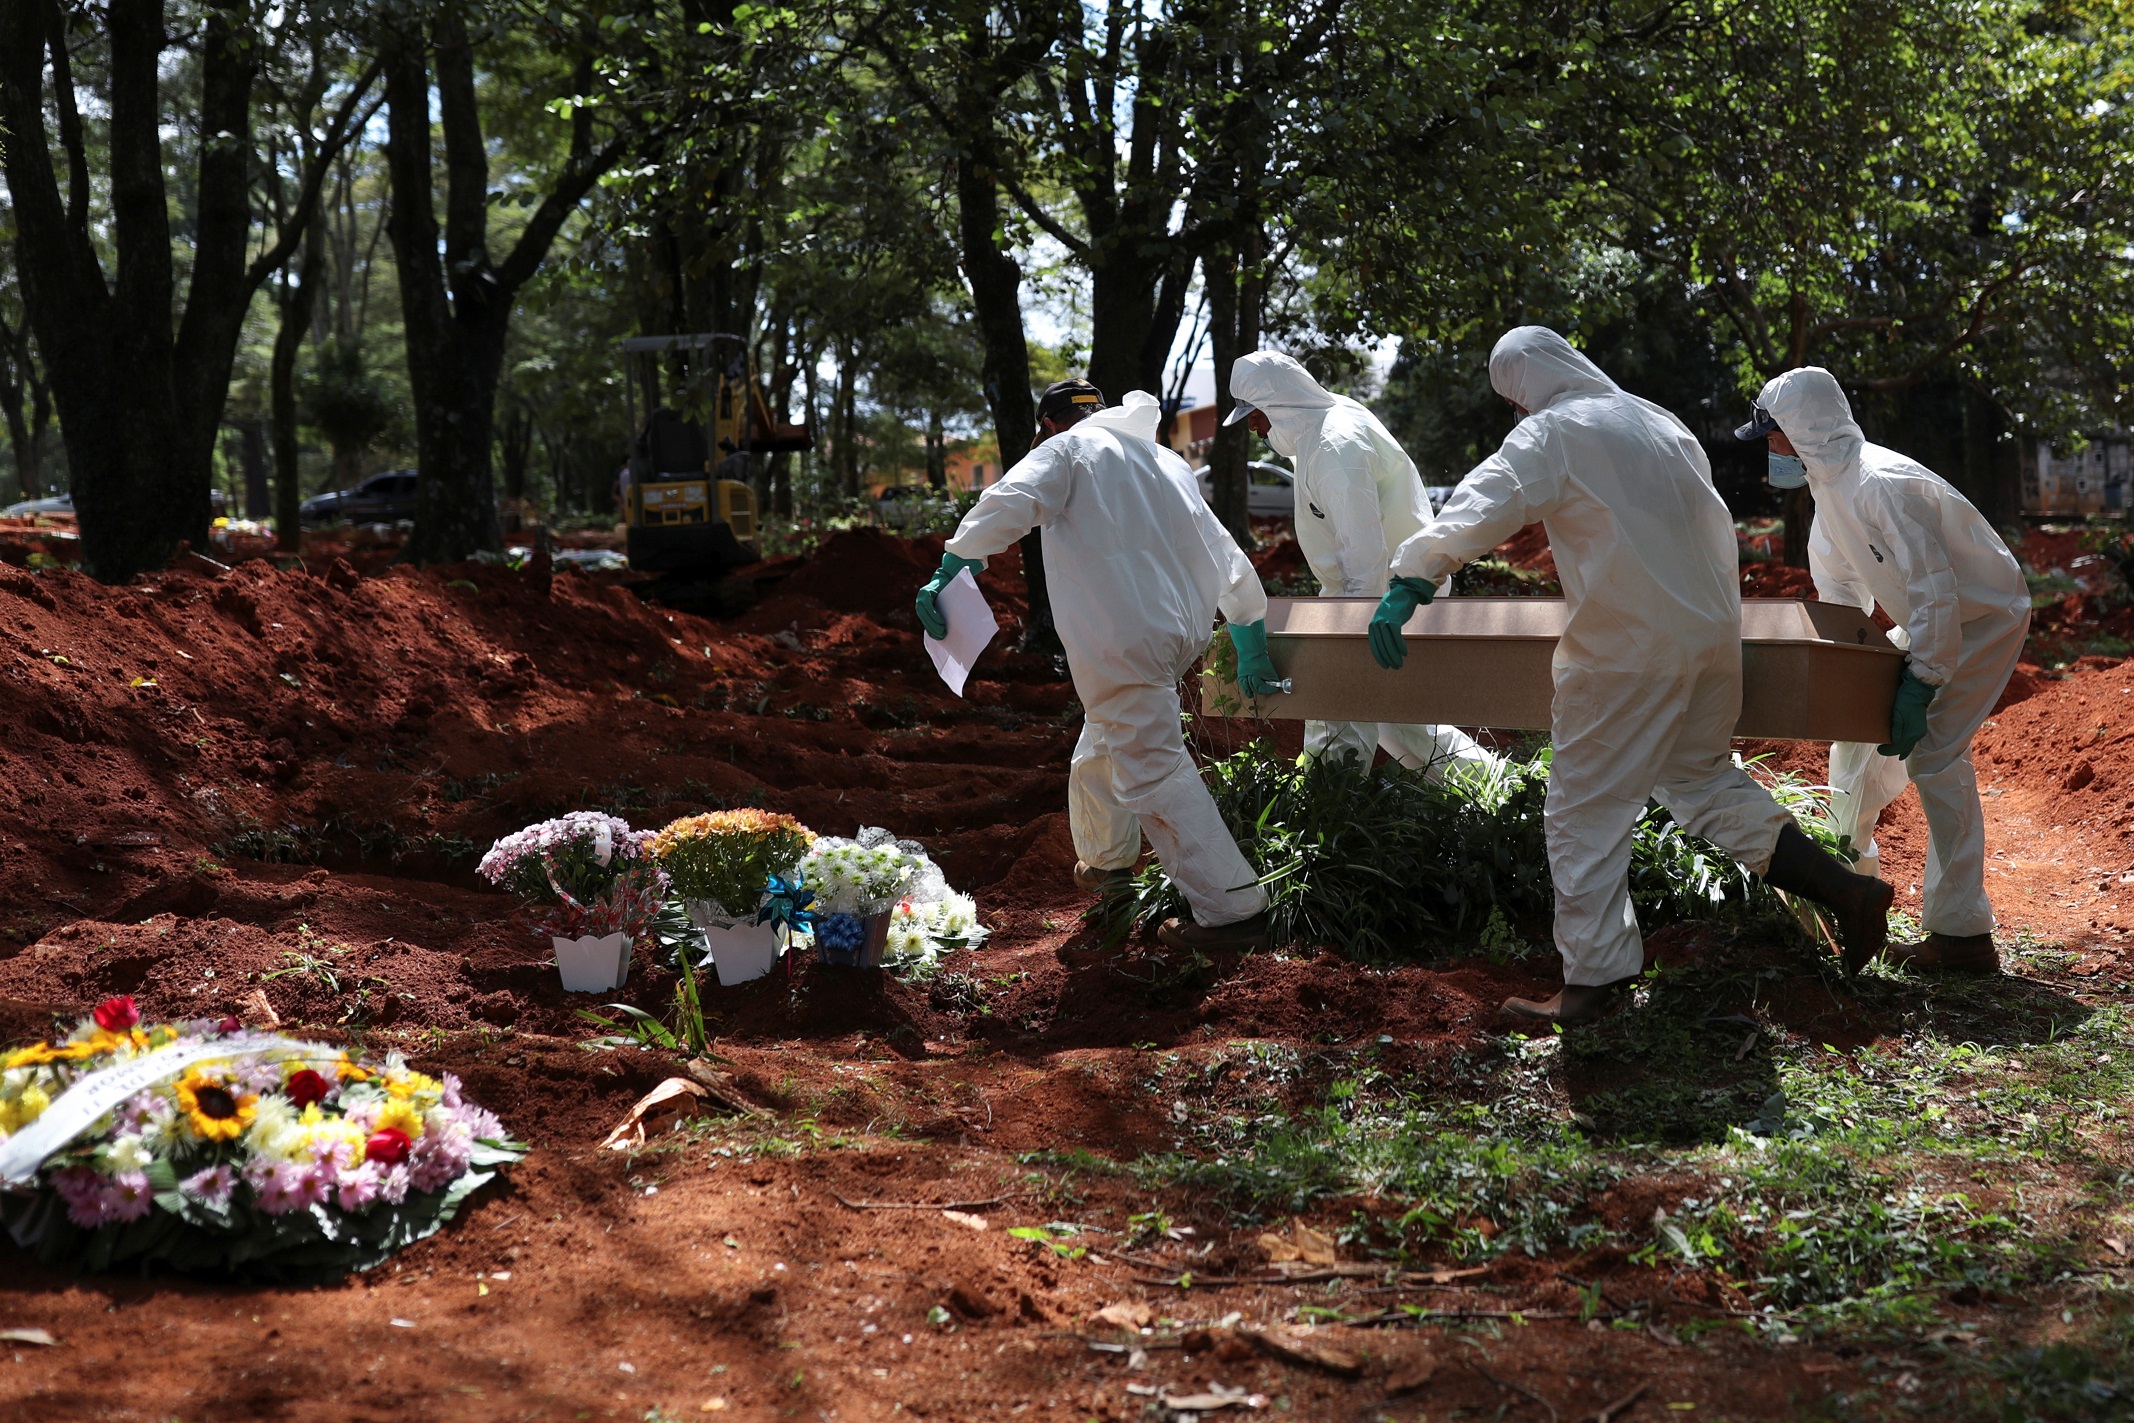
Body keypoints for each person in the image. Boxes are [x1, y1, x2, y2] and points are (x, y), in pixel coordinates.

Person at [1369, 327, 1893, 1025]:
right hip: (1711, 639)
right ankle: (1847, 891)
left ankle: (1594, 981)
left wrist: (1410, 574)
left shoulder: (1553, 432)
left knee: (1583, 809)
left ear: (1524, 387)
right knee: (1702, 781)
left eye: (1511, 399)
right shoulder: (1659, 420)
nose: (1514, 413)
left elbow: (1482, 503)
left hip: (1628, 649)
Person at [915, 379, 1281, 951]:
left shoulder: (1067, 450)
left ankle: (1235, 912)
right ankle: (1107, 865)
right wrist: (1248, 626)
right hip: (1176, 635)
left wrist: (954, 563)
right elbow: (1222, 551)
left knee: (1153, 769)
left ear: (1050, 425)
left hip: (1124, 641)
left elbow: (1010, 500)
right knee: (1104, 737)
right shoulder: (1164, 461)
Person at [1741, 368, 2030, 973]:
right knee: (1853, 742)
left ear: (1802, 431)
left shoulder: (1879, 483)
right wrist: (1849, 672)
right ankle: (1850, 890)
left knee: (1935, 753)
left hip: (1982, 617)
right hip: (1931, 617)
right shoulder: (1830, 489)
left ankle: (1963, 937)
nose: (1769, 448)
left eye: (1772, 435)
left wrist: (1921, 681)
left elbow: (1935, 590)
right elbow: (1840, 594)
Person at [1224, 352, 1500, 782]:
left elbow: (1363, 556)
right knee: (1399, 719)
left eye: (1254, 416)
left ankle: (1332, 812)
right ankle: (1493, 785)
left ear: (1279, 407)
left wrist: (1347, 635)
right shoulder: (1324, 423)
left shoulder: (1335, 447)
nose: (1253, 428)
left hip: (1383, 596)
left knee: (1340, 705)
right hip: (1384, 589)